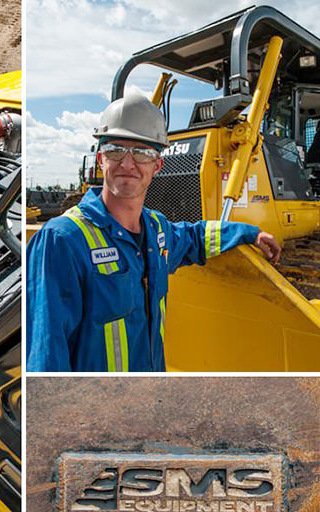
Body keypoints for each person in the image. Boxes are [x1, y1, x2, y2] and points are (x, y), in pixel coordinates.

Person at [27, 94, 282, 372]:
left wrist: (250, 233)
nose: (127, 164)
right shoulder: (63, 240)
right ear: (101, 160)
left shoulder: (157, 230)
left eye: (142, 153)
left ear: (157, 165)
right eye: (115, 150)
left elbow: (195, 236)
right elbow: (45, 355)